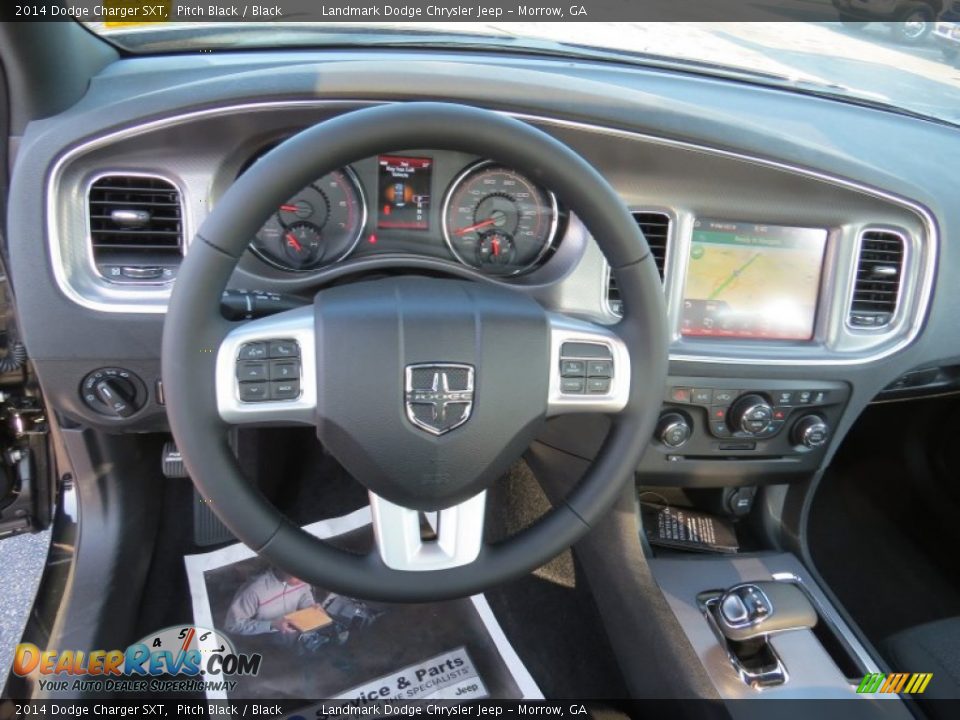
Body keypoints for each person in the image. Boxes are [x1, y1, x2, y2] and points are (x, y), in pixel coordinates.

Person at [223, 567, 316, 636]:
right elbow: (232, 625)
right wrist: (271, 625)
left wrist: (310, 607)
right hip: (265, 644)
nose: (303, 580)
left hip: (296, 635)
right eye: (297, 576)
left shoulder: (300, 579)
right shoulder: (254, 590)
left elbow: (304, 594)